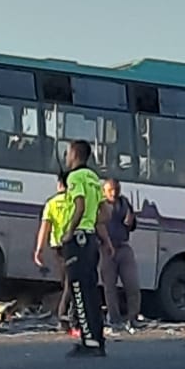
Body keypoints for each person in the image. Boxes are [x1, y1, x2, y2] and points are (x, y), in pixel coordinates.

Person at [61, 139, 111, 357]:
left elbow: (79, 206)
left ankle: (88, 341)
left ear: (74, 154)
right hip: (91, 239)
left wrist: (70, 231)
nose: (66, 157)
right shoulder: (93, 177)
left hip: (79, 239)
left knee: (78, 290)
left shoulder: (75, 177)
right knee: (91, 291)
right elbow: (106, 214)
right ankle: (97, 340)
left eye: (68, 153)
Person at [33, 171, 75, 333]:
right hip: (73, 245)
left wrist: (39, 250)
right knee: (70, 283)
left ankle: (66, 316)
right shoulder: (75, 202)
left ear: (59, 185)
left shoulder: (51, 204)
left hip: (57, 247)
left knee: (66, 282)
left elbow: (45, 228)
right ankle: (64, 316)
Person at [99, 177, 140, 332]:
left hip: (123, 246)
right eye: (110, 190)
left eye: (116, 189)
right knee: (110, 286)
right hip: (107, 248)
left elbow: (132, 224)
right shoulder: (101, 205)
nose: (114, 193)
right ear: (104, 191)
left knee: (132, 284)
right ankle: (114, 318)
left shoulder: (124, 203)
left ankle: (133, 317)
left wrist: (131, 221)